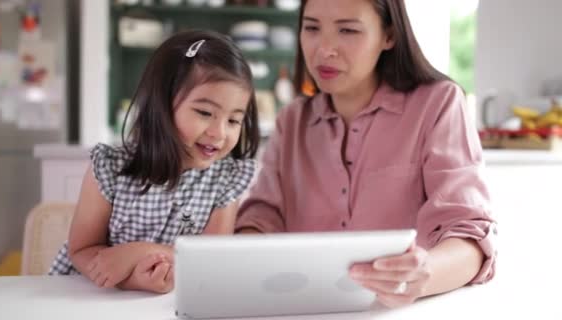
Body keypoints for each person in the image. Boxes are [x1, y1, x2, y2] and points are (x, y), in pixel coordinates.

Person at [235, 0, 497, 308]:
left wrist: (425, 272)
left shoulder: (437, 104)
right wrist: (236, 258)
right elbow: (263, 217)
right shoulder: (292, 120)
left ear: (389, 35)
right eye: (312, 28)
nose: (324, 49)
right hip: (304, 308)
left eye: (348, 30)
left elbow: (469, 234)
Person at [49, 30, 260, 294]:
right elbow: (82, 249)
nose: (219, 133)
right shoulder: (110, 168)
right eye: (205, 113)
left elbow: (211, 261)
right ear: (162, 104)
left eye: (233, 120)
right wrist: (132, 280)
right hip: (92, 297)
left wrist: (142, 253)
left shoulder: (225, 179)